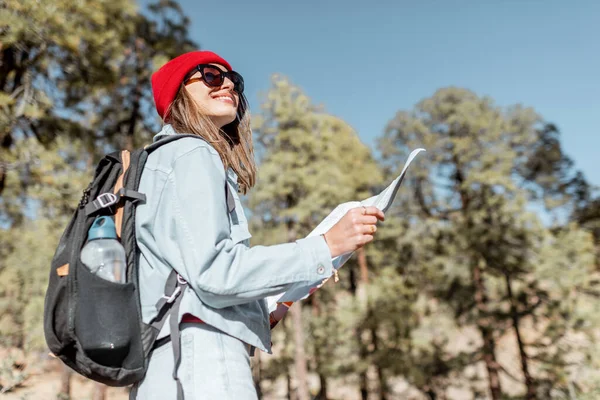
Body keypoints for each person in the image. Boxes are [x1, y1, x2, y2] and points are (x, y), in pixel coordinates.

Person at [131, 50, 384, 399]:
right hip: (201, 357)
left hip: (170, 361)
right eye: (210, 75)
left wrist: (261, 311)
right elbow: (215, 273)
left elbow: (192, 278)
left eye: (234, 79)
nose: (229, 84)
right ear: (178, 93)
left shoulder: (162, 162)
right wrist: (325, 246)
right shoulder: (192, 152)